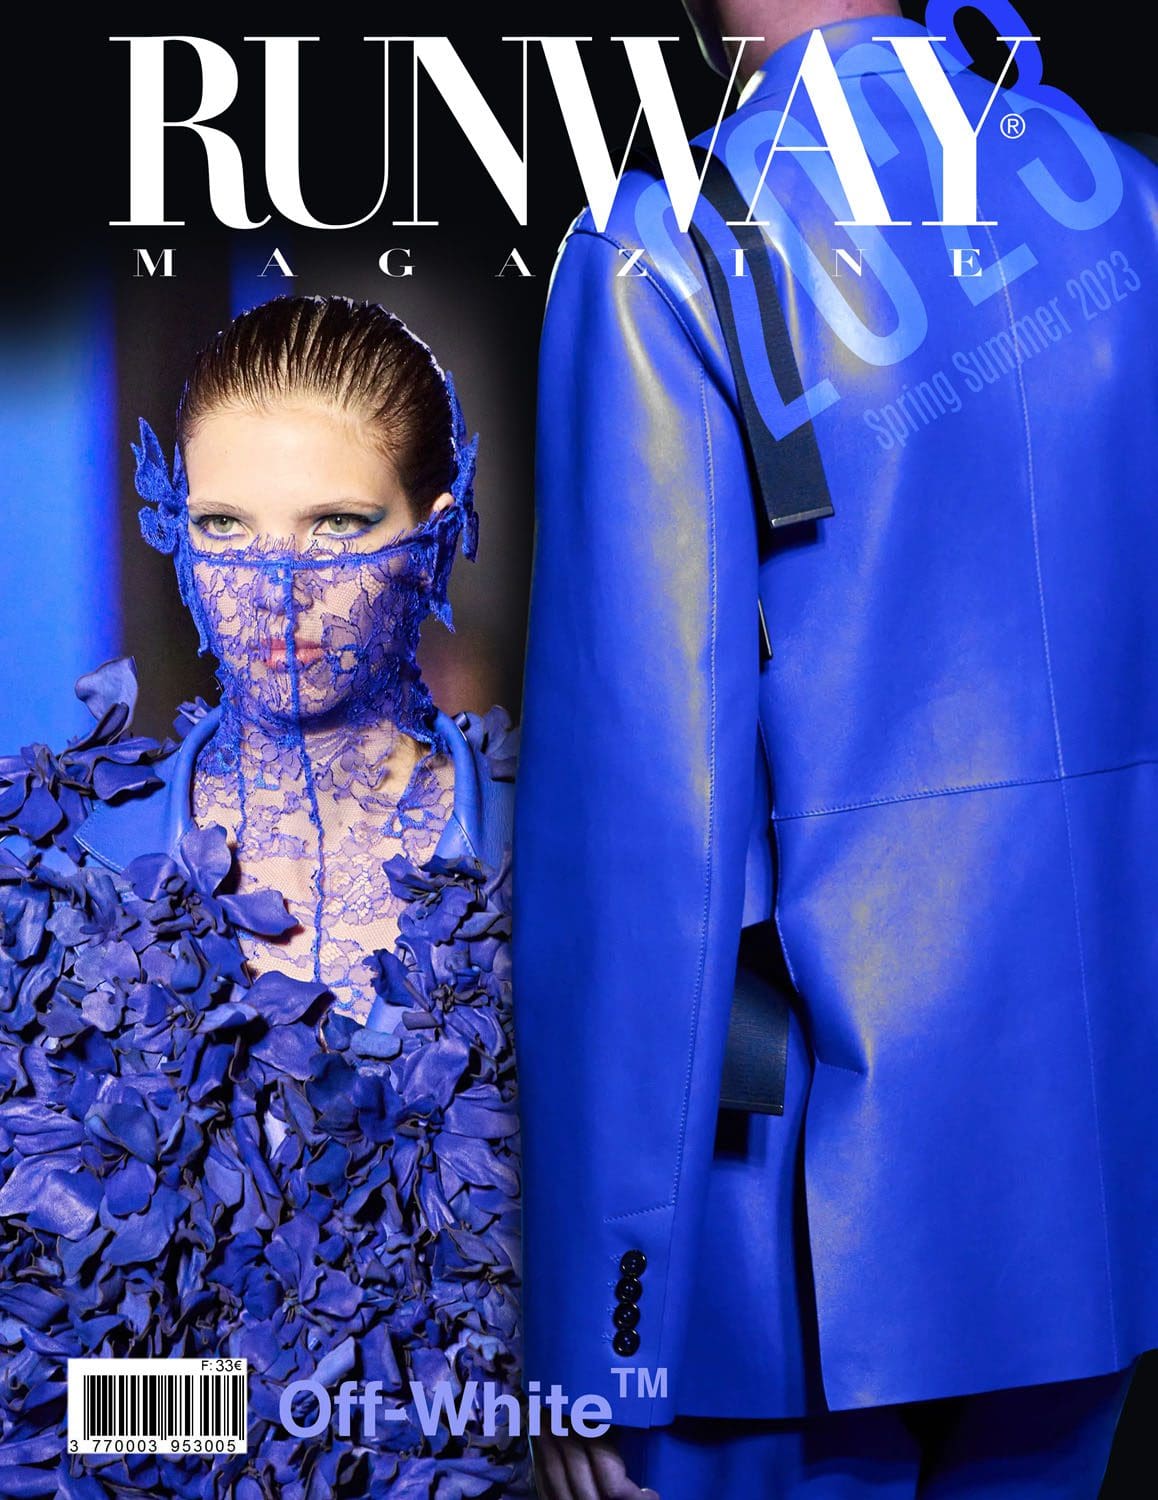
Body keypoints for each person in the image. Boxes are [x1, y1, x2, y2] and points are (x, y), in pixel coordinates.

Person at [512, 2, 1158, 1497]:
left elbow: (644, 835)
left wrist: (596, 1335)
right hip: (1090, 1210)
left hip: (784, 1251)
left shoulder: (665, 252)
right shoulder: (1128, 210)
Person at [0, 294, 532, 1498]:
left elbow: (626, 1310)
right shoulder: (58, 868)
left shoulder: (561, 858)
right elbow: (38, 1380)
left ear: (438, 530)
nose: (275, 589)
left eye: (337, 527)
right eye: (225, 528)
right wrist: (360, 1412)